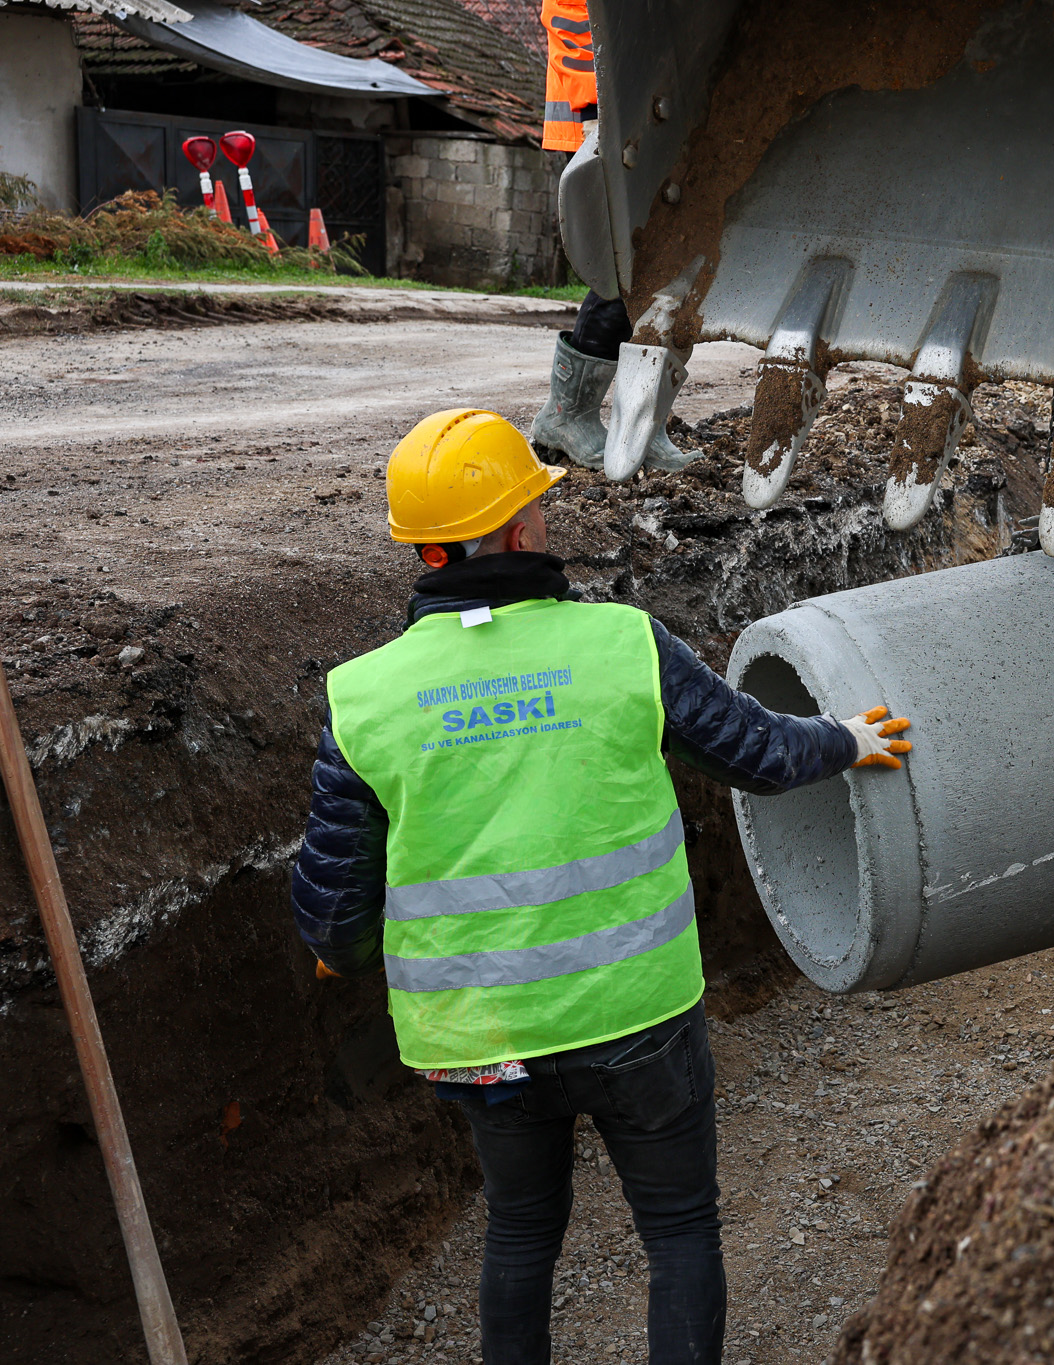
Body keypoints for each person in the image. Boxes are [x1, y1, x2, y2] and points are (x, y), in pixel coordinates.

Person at [290, 409, 910, 1364]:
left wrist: (343, 954)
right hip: (637, 1016)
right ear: (515, 529)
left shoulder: (363, 699)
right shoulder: (624, 645)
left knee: (522, 1231)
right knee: (678, 1231)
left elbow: (334, 906)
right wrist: (849, 739)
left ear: (424, 549)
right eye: (535, 501)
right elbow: (755, 749)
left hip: (481, 1041)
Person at [529, 0, 695, 472]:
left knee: (671, 276)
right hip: (601, 122)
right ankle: (566, 417)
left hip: (649, 121)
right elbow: (573, 16)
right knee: (626, 272)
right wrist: (601, 105)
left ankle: (644, 424)